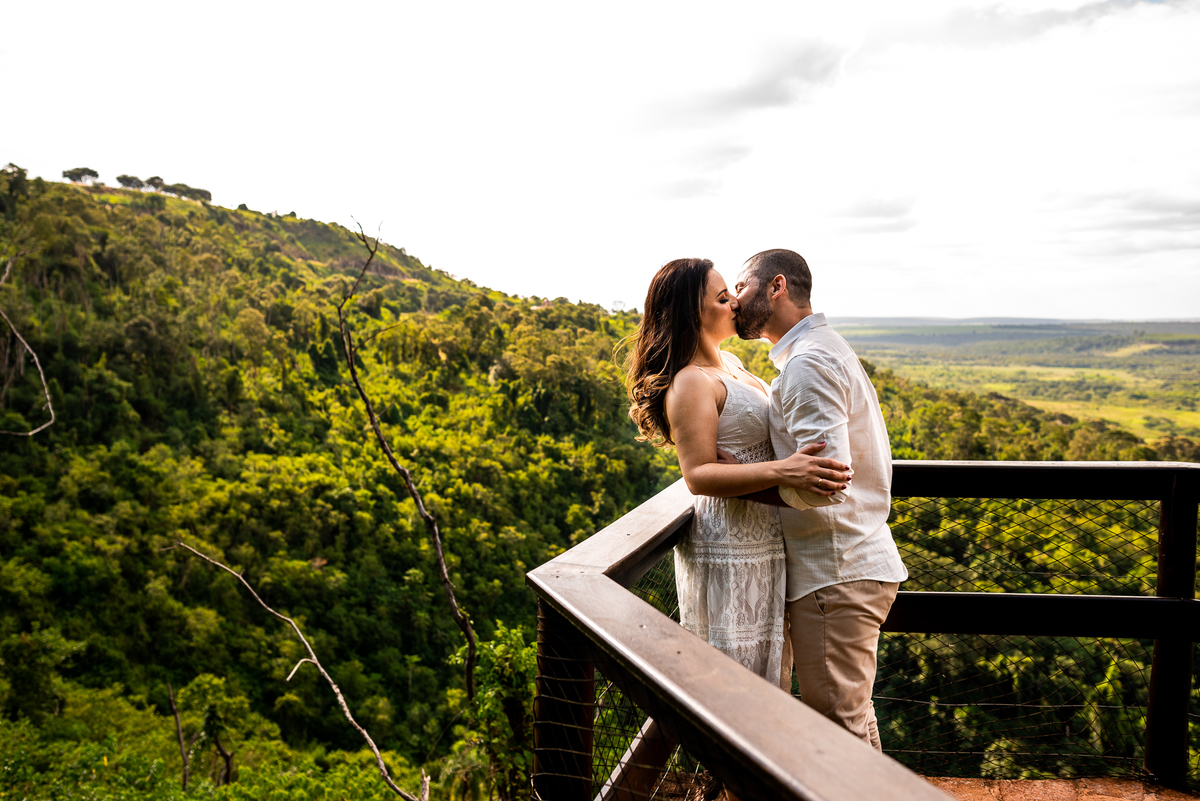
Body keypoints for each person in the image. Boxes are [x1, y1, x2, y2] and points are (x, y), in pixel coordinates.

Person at [625, 257, 852, 688]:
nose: (735, 304)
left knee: (771, 671)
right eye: (723, 296)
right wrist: (785, 470)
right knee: (736, 677)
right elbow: (698, 475)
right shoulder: (690, 382)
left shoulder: (729, 364)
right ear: (694, 312)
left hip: (765, 536)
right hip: (729, 540)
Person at [729, 248, 908, 751]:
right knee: (853, 720)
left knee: (838, 736)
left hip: (837, 572)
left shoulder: (808, 364)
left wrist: (735, 478)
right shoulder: (820, 349)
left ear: (776, 286)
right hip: (849, 567)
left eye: (741, 287)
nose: (735, 301)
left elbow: (824, 484)